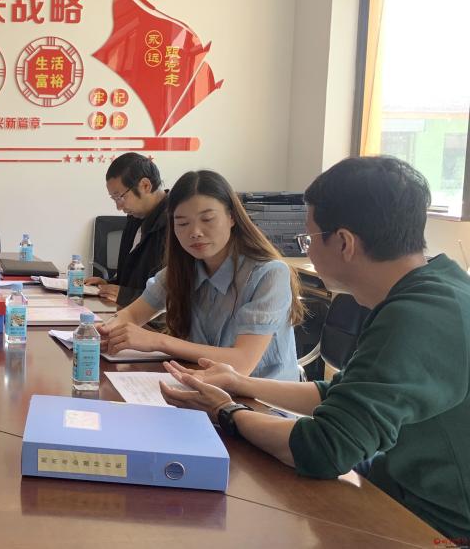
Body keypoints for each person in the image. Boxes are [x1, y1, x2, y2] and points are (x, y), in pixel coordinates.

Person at [159, 156, 470, 541]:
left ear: (344, 243)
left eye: (308, 239)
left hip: (433, 523)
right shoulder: (436, 287)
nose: (305, 249)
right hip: (394, 483)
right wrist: (241, 384)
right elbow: (344, 394)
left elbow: (324, 448)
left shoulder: (417, 317)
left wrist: (227, 411)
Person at [101, 170, 304, 380]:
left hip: (259, 395)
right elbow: (133, 315)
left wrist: (157, 341)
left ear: (232, 217)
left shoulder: (269, 274)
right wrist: (104, 330)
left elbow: (242, 363)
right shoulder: (182, 270)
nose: (195, 232)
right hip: (202, 384)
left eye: (207, 219)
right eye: (182, 223)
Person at [84, 153, 168, 307]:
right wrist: (109, 285)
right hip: (126, 313)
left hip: (152, 320)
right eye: (114, 199)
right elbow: (131, 279)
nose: (119, 207)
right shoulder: (135, 218)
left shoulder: (177, 223)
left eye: (120, 197)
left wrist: (127, 296)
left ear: (145, 186)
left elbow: (174, 297)